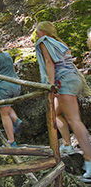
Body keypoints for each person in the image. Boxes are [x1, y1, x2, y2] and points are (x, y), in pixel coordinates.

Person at [35, 21, 91, 180]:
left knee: (75, 121)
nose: (36, 36)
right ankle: (67, 145)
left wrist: (51, 85)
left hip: (63, 81)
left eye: (37, 32)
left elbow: (49, 62)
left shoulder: (44, 41)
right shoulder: (60, 42)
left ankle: (90, 163)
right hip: (73, 79)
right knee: (56, 112)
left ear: (43, 32)